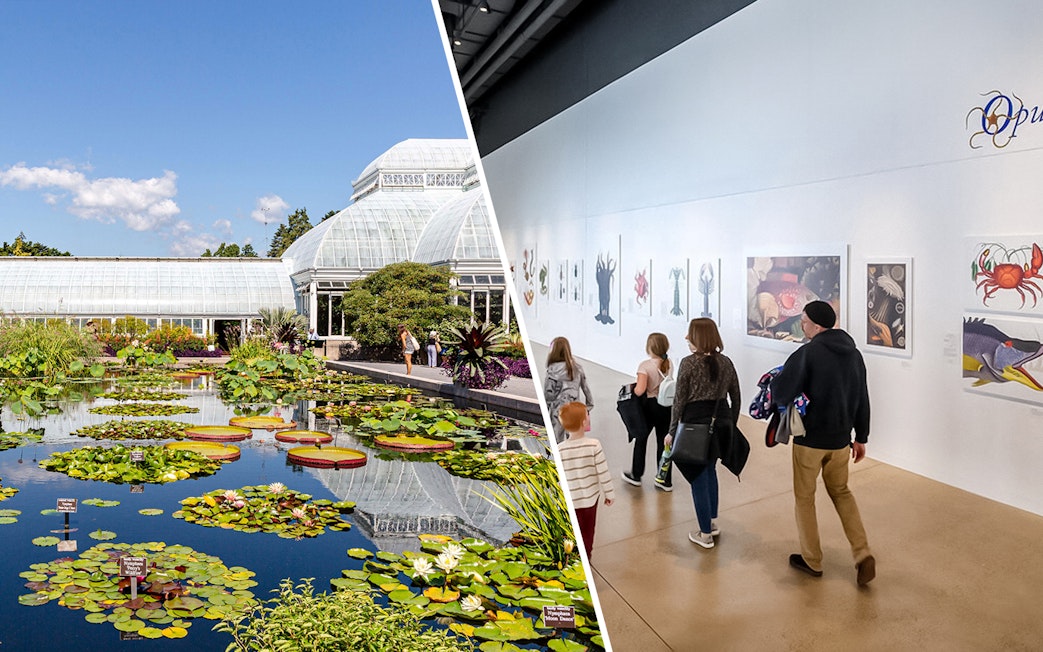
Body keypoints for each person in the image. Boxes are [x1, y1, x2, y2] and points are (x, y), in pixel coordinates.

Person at [770, 300, 875, 586]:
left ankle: (812, 560)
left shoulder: (807, 353)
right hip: (841, 442)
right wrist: (861, 438)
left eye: (803, 320)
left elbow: (781, 393)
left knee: (805, 498)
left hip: (810, 440)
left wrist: (776, 384)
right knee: (841, 492)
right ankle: (862, 553)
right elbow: (862, 398)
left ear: (815, 325)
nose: (801, 324)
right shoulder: (854, 355)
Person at [665, 318, 740, 550]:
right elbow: (736, 397)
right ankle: (712, 522)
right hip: (721, 423)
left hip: (695, 425)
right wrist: (732, 425)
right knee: (710, 469)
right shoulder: (726, 361)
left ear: (698, 337)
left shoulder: (688, 363)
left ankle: (705, 533)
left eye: (690, 334)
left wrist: (672, 431)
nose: (686, 338)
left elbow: (679, 401)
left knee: (698, 474)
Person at [556, 401, 614, 560]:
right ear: (583, 422)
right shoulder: (594, 445)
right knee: (588, 531)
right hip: (589, 500)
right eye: (587, 414)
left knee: (571, 532)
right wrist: (609, 494)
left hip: (570, 501)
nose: (589, 417)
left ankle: (570, 557)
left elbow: (559, 478)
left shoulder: (560, 449)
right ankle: (586, 557)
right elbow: (603, 472)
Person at [622, 332, 674, 491]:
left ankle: (636, 475)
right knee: (664, 442)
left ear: (649, 347)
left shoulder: (644, 365)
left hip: (648, 406)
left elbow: (640, 390)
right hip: (665, 406)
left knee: (641, 438)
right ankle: (664, 479)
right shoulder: (669, 363)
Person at [544, 337, 594, 443]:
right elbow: (586, 389)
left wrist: (547, 408)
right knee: (574, 441)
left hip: (557, 409)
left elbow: (547, 394)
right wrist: (588, 407)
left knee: (557, 442)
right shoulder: (577, 368)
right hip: (575, 409)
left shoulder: (552, 369)